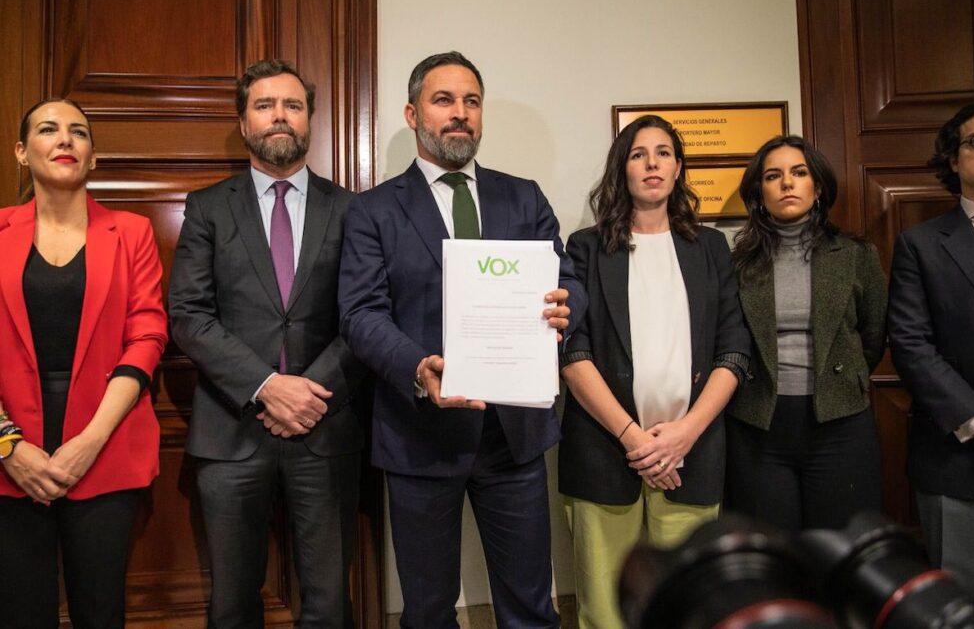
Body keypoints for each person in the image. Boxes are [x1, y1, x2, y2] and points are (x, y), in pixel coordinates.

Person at [339, 51, 584, 628]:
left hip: (512, 434)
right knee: (426, 609)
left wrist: (567, 306)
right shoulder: (374, 210)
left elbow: (566, 278)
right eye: (443, 100)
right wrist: (417, 368)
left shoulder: (523, 196)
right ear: (412, 113)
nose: (460, 114)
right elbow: (360, 313)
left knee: (530, 603)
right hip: (420, 432)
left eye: (471, 101)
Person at [168, 60, 366, 629]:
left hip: (326, 428)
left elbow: (364, 316)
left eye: (293, 105)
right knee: (232, 602)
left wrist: (308, 394)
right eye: (264, 105)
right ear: (244, 121)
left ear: (310, 121)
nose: (280, 115)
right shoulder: (208, 207)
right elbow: (188, 314)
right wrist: (266, 387)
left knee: (329, 601)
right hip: (230, 431)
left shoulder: (352, 209)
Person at [558, 115, 750, 629]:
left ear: (678, 167)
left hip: (692, 451)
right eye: (639, 154)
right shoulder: (586, 247)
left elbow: (734, 352)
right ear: (622, 169)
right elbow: (572, 354)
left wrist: (682, 436)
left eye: (664, 152)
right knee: (604, 608)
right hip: (603, 449)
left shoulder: (711, 247)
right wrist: (636, 441)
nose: (652, 163)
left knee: (686, 604)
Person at [0, 98, 167, 628]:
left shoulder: (132, 232)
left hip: (106, 444)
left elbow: (147, 335)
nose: (66, 140)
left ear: (94, 157)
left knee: (100, 611)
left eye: (79, 132)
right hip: (7, 453)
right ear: (23, 152)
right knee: (21, 611)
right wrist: (7, 445)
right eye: (49, 130)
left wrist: (89, 442)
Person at [888, 96, 974, 623]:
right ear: (953, 157)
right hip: (957, 458)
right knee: (960, 615)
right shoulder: (920, 244)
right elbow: (911, 345)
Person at [725, 135, 887, 531]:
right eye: (773, 176)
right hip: (758, 425)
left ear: (817, 187)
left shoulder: (855, 254)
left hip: (840, 422)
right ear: (759, 194)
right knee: (773, 551)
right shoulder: (738, 262)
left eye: (799, 173)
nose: (787, 183)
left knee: (840, 550)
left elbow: (873, 334)